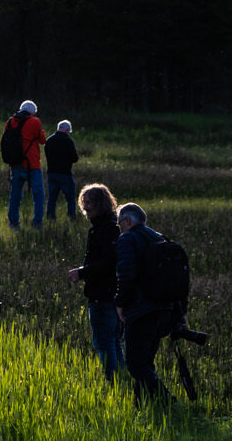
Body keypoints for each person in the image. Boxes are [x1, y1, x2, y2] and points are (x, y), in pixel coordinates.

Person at [113, 202, 181, 404]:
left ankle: (171, 404)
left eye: (119, 224)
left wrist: (120, 302)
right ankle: (140, 407)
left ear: (127, 220)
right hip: (163, 309)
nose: (119, 228)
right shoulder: (159, 238)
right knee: (146, 363)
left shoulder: (127, 239)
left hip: (141, 309)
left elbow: (126, 274)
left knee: (135, 365)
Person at [64, 183, 122, 382]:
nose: (85, 207)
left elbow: (108, 263)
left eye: (89, 202)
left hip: (103, 296)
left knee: (105, 343)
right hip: (111, 295)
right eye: (83, 202)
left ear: (100, 203)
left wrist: (82, 273)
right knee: (114, 341)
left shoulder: (107, 229)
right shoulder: (107, 227)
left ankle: (112, 382)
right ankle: (121, 381)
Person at [3, 100, 44, 230]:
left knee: (15, 195)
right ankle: (37, 222)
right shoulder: (35, 121)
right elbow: (42, 140)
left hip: (15, 163)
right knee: (38, 194)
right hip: (32, 163)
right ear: (32, 111)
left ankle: (13, 223)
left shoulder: (10, 122)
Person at [43, 121, 77, 221]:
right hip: (65, 174)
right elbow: (75, 158)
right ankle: (72, 218)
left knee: (52, 199)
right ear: (67, 130)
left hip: (51, 173)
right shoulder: (68, 141)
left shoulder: (49, 140)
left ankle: (50, 218)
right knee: (70, 199)